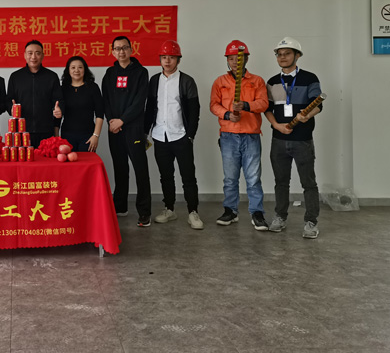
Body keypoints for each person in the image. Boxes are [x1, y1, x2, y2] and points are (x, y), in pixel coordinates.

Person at [264, 37, 323, 239]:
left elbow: (318, 105)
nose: (282, 57)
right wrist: (276, 125)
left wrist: (306, 115)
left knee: (308, 182)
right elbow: (267, 109)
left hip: (302, 140)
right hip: (278, 140)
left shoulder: (309, 78)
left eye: (287, 53)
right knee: (281, 182)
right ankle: (280, 217)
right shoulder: (272, 81)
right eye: (279, 54)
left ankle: (311, 222)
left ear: (297, 56)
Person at [210, 40, 269, 230]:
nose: (235, 61)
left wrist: (246, 105)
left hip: (251, 136)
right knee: (230, 178)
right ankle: (230, 211)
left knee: (253, 178)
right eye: (231, 58)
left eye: (239, 58)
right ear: (227, 60)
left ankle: (257, 213)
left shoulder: (257, 81)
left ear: (247, 59)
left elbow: (264, 103)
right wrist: (227, 114)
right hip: (228, 136)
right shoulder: (220, 82)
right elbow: (214, 105)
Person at [144, 40, 203, 230]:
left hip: (181, 136)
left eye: (171, 57)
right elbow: (150, 109)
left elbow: (194, 110)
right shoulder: (154, 81)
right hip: (160, 136)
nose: (167, 61)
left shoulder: (186, 81)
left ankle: (193, 212)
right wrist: (146, 132)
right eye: (164, 57)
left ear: (178, 59)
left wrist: (190, 135)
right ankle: (169, 209)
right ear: (160, 60)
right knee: (166, 176)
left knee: (188, 176)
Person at [102, 35, 151, 227]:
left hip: (134, 128)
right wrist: (112, 121)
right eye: (117, 48)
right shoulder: (109, 73)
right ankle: (120, 206)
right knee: (120, 168)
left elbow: (140, 102)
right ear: (112, 51)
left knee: (140, 169)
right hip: (114, 128)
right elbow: (105, 100)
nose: (121, 51)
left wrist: (122, 120)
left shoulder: (141, 72)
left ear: (131, 50)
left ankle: (144, 212)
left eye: (124, 48)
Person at [6, 40, 63, 148]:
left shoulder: (52, 77)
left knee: (45, 159)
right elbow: (9, 100)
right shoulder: (16, 77)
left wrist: (60, 109)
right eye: (30, 53)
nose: (33, 57)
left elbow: (59, 100)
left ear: (42, 56)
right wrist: (10, 108)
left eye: (37, 53)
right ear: (25, 55)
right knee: (24, 159)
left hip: (46, 131)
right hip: (22, 132)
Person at [60, 56, 104, 152]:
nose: (76, 70)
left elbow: (100, 114)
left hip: (88, 136)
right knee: (69, 161)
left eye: (80, 67)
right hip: (67, 136)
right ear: (68, 70)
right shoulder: (63, 89)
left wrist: (96, 135)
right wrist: (57, 138)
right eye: (73, 67)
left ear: (85, 69)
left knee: (87, 161)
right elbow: (58, 116)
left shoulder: (93, 88)